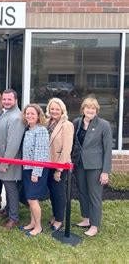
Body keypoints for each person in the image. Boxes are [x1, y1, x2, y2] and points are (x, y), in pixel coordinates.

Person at [71, 97, 112, 237]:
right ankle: (86, 219)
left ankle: (94, 225)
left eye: (93, 108)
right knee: (82, 192)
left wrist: (105, 171)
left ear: (96, 110)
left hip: (95, 166)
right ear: (83, 109)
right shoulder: (77, 122)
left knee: (94, 196)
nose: (90, 110)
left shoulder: (103, 125)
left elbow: (108, 150)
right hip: (79, 164)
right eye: (87, 108)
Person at [0, 89, 26, 230]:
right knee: (7, 186)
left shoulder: (16, 117)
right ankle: (7, 210)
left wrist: (5, 162)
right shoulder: (5, 113)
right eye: (4, 99)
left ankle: (14, 218)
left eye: (9, 99)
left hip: (9, 161)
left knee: (11, 188)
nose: (6, 102)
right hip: (1, 157)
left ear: (16, 100)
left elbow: (13, 144)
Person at [20, 104, 50, 236]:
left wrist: (36, 172)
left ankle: (38, 226)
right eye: (27, 113)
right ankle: (32, 222)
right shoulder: (28, 130)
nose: (29, 116)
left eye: (33, 113)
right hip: (27, 168)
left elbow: (41, 154)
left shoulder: (41, 130)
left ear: (38, 116)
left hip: (36, 170)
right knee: (30, 198)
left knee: (33, 199)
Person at [46, 98, 74, 232]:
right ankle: (55, 215)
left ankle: (59, 220)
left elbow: (66, 149)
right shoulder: (47, 123)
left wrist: (59, 169)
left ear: (62, 110)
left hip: (59, 164)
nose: (54, 111)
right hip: (47, 163)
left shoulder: (67, 125)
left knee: (58, 193)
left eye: (57, 109)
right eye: (52, 109)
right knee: (52, 192)